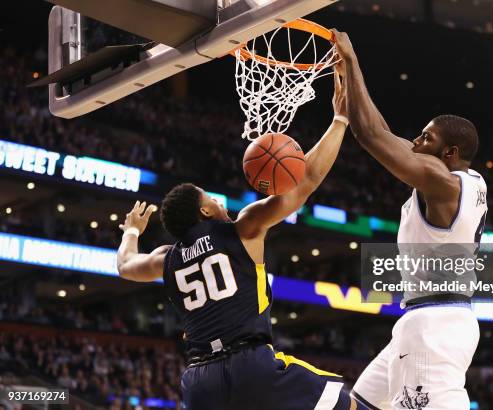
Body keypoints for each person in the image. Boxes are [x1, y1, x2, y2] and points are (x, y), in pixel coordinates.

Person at [115, 68, 361, 410]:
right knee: (348, 406)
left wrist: (131, 232)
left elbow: (126, 265)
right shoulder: (243, 227)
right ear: (204, 213)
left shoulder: (166, 258)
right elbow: (308, 180)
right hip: (250, 366)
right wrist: (340, 119)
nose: (219, 201)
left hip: (199, 384)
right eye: (211, 199)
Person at [332, 30, 487, 410]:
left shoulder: (443, 183)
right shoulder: (458, 178)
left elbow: (368, 134)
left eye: (426, 138)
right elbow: (381, 132)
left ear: (449, 151)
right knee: (360, 404)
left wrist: (352, 61)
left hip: (434, 325)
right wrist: (347, 105)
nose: (416, 142)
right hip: (425, 319)